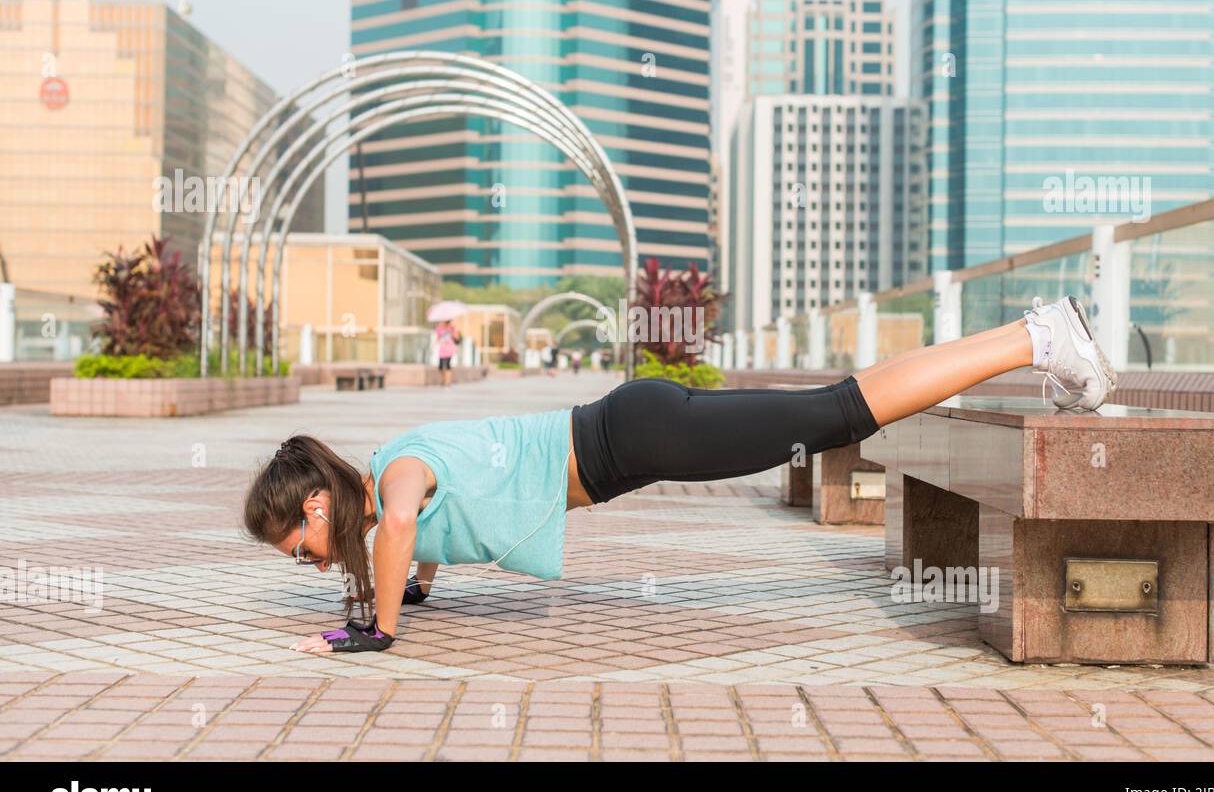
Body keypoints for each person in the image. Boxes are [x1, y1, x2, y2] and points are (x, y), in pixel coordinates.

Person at [242, 295, 1114, 653]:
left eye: (299, 540)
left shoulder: (396, 483)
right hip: (634, 430)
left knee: (840, 411)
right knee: (834, 411)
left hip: (638, 435)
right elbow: (423, 529)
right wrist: (419, 590)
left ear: (319, 501)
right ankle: (1041, 342)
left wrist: (381, 630)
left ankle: (1038, 337)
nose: (305, 558)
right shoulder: (394, 471)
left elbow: (403, 524)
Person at [435, 321, 460, 387]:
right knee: (441, 366)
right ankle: (443, 380)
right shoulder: (439, 329)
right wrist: (439, 338)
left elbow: (457, 338)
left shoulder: (452, 328)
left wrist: (452, 333)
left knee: (447, 365)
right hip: (442, 349)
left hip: (449, 349)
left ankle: (448, 381)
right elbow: (437, 339)